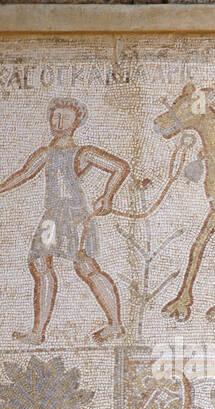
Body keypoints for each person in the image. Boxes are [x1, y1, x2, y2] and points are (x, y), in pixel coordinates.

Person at [0, 97, 128, 344]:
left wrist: (108, 196)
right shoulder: (45, 153)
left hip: (75, 217)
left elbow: (120, 167)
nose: (58, 122)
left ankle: (115, 324)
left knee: (86, 268)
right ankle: (37, 333)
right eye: (55, 116)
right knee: (39, 266)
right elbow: (24, 174)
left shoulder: (83, 153)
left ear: (76, 122)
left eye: (65, 118)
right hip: (51, 219)